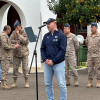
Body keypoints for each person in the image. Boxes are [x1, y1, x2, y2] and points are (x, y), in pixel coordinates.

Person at [41, 18, 67, 100]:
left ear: (54, 23)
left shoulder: (61, 35)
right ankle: (50, 98)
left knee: (61, 84)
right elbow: (42, 49)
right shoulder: (46, 36)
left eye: (49, 23)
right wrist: (45, 59)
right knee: (48, 84)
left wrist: (53, 61)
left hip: (58, 63)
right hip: (47, 63)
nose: (47, 25)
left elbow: (62, 50)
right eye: (46, 24)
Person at [10, 20, 29, 88]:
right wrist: (17, 41)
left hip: (24, 53)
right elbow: (10, 40)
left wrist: (19, 35)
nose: (16, 29)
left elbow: (26, 41)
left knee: (25, 68)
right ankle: (14, 82)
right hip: (16, 53)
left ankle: (26, 82)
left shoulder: (25, 31)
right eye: (15, 27)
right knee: (15, 68)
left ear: (20, 26)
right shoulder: (13, 32)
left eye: (17, 27)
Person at [86, 22, 100, 88]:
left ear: (96, 28)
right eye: (91, 27)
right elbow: (87, 44)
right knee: (89, 69)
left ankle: (98, 81)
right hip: (90, 55)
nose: (91, 29)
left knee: (98, 69)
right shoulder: (88, 36)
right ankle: (90, 82)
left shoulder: (99, 36)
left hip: (97, 55)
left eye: (92, 27)